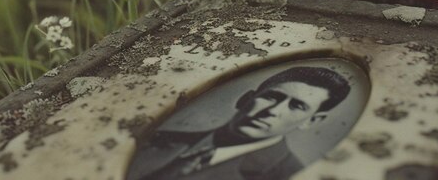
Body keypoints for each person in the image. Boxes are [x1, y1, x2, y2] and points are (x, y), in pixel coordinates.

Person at [126, 67, 351, 180]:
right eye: (272, 97)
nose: (272, 111)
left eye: (297, 106)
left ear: (311, 120)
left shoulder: (287, 174)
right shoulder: (159, 138)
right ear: (246, 99)